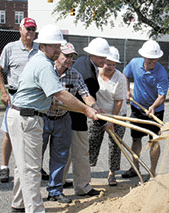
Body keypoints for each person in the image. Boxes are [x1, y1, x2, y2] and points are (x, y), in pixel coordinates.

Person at [6, 24, 98, 213]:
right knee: (31, 169)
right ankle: (35, 210)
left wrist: (51, 101)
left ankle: (19, 205)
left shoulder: (40, 61)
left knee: (23, 166)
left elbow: (46, 93)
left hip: (24, 115)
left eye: (59, 45)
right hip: (27, 118)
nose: (58, 49)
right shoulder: (44, 65)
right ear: (43, 46)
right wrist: (86, 110)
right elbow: (61, 94)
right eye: (54, 46)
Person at [41, 42, 99, 203]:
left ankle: (55, 191)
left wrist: (94, 107)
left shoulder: (75, 74)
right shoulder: (47, 70)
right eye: (66, 56)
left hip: (62, 119)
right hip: (43, 118)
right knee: (35, 157)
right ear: (58, 55)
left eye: (71, 56)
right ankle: (29, 195)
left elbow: (85, 94)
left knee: (60, 157)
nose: (69, 59)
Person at [0, 17, 40, 183]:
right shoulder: (10, 48)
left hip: (35, 97)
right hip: (15, 97)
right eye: (27, 29)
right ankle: (4, 167)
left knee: (35, 133)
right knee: (9, 133)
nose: (30, 32)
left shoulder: (39, 50)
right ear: (20, 30)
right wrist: (3, 92)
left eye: (33, 29)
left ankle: (34, 167)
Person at [64, 37, 109, 197]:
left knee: (66, 152)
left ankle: (60, 182)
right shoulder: (87, 74)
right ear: (93, 55)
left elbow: (89, 99)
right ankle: (83, 187)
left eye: (105, 56)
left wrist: (97, 109)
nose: (105, 60)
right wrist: (99, 116)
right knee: (81, 152)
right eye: (102, 57)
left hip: (68, 116)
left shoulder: (84, 61)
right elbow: (86, 99)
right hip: (75, 117)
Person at [122, 39, 168, 178]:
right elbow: (125, 75)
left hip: (156, 111)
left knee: (154, 140)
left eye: (154, 60)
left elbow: (162, 96)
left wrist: (153, 107)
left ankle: (152, 171)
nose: (152, 63)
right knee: (136, 139)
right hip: (137, 108)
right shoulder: (134, 63)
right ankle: (134, 168)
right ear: (143, 57)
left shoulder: (161, 73)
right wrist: (127, 91)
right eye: (149, 60)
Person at [88, 46, 127, 186]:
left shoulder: (120, 78)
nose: (110, 67)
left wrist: (112, 119)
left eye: (113, 64)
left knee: (115, 144)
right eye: (108, 63)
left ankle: (112, 173)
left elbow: (119, 100)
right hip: (97, 114)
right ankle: (87, 173)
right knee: (92, 141)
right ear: (102, 61)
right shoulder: (95, 73)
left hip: (117, 114)